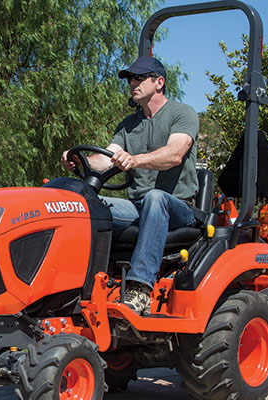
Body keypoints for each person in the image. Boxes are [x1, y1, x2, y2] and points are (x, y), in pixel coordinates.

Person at [60, 56, 199, 316]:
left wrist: (135, 160)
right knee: (82, 205)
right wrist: (80, 160)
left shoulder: (182, 113)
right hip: (138, 207)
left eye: (138, 77)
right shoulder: (128, 125)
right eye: (130, 79)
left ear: (159, 82)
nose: (132, 83)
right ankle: (74, 283)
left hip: (178, 209)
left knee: (155, 198)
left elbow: (174, 153)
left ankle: (139, 289)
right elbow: (105, 158)